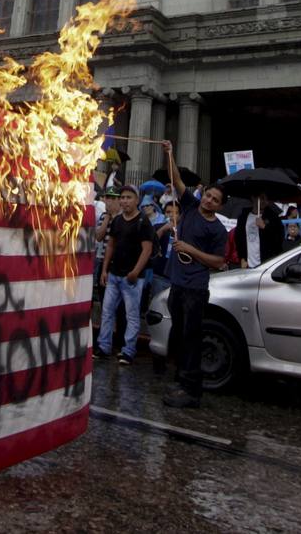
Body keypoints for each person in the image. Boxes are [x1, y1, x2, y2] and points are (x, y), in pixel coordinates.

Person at [161, 140, 228, 409]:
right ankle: (181, 381)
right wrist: (169, 153)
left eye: (215, 200)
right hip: (177, 285)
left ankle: (192, 391)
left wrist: (190, 248)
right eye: (208, 195)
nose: (209, 200)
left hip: (195, 290)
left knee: (191, 338)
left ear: (220, 206)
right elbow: (176, 179)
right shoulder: (188, 206)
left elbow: (218, 261)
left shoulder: (218, 230)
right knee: (178, 335)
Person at [95, 184, 154, 366]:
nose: (125, 201)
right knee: (106, 313)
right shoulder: (118, 221)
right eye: (122, 198)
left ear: (137, 200)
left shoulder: (143, 221)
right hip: (113, 275)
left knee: (132, 316)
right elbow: (110, 245)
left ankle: (128, 351)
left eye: (129, 197)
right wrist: (105, 270)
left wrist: (135, 272)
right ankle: (104, 347)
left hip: (133, 279)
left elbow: (147, 249)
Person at [234, 191, 283, 268]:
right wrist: (242, 258)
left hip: (267, 265)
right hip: (247, 266)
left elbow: (279, 240)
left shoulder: (273, 217)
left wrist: (264, 227)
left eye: (267, 199)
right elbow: (239, 239)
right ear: (253, 198)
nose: (265, 202)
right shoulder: (243, 217)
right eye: (262, 198)